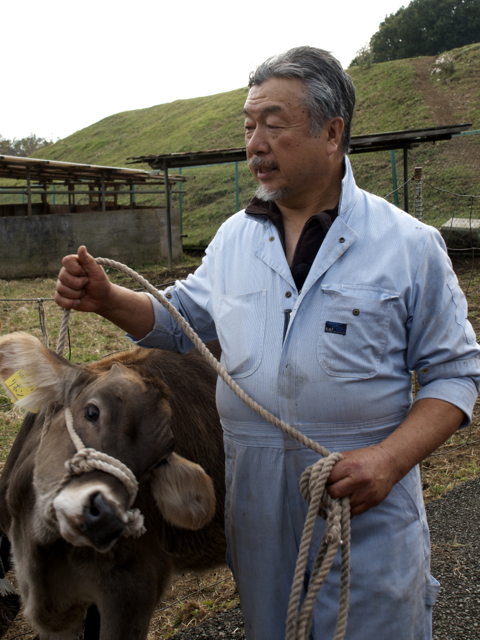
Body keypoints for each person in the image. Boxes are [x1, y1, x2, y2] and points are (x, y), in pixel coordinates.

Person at [55, 47, 480, 640]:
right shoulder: (235, 239)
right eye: (249, 125)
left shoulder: (407, 246)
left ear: (332, 133)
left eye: (274, 125)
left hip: (363, 510)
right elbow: (181, 321)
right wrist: (108, 299)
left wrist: (389, 460)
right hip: (255, 515)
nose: (255, 142)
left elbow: (454, 375)